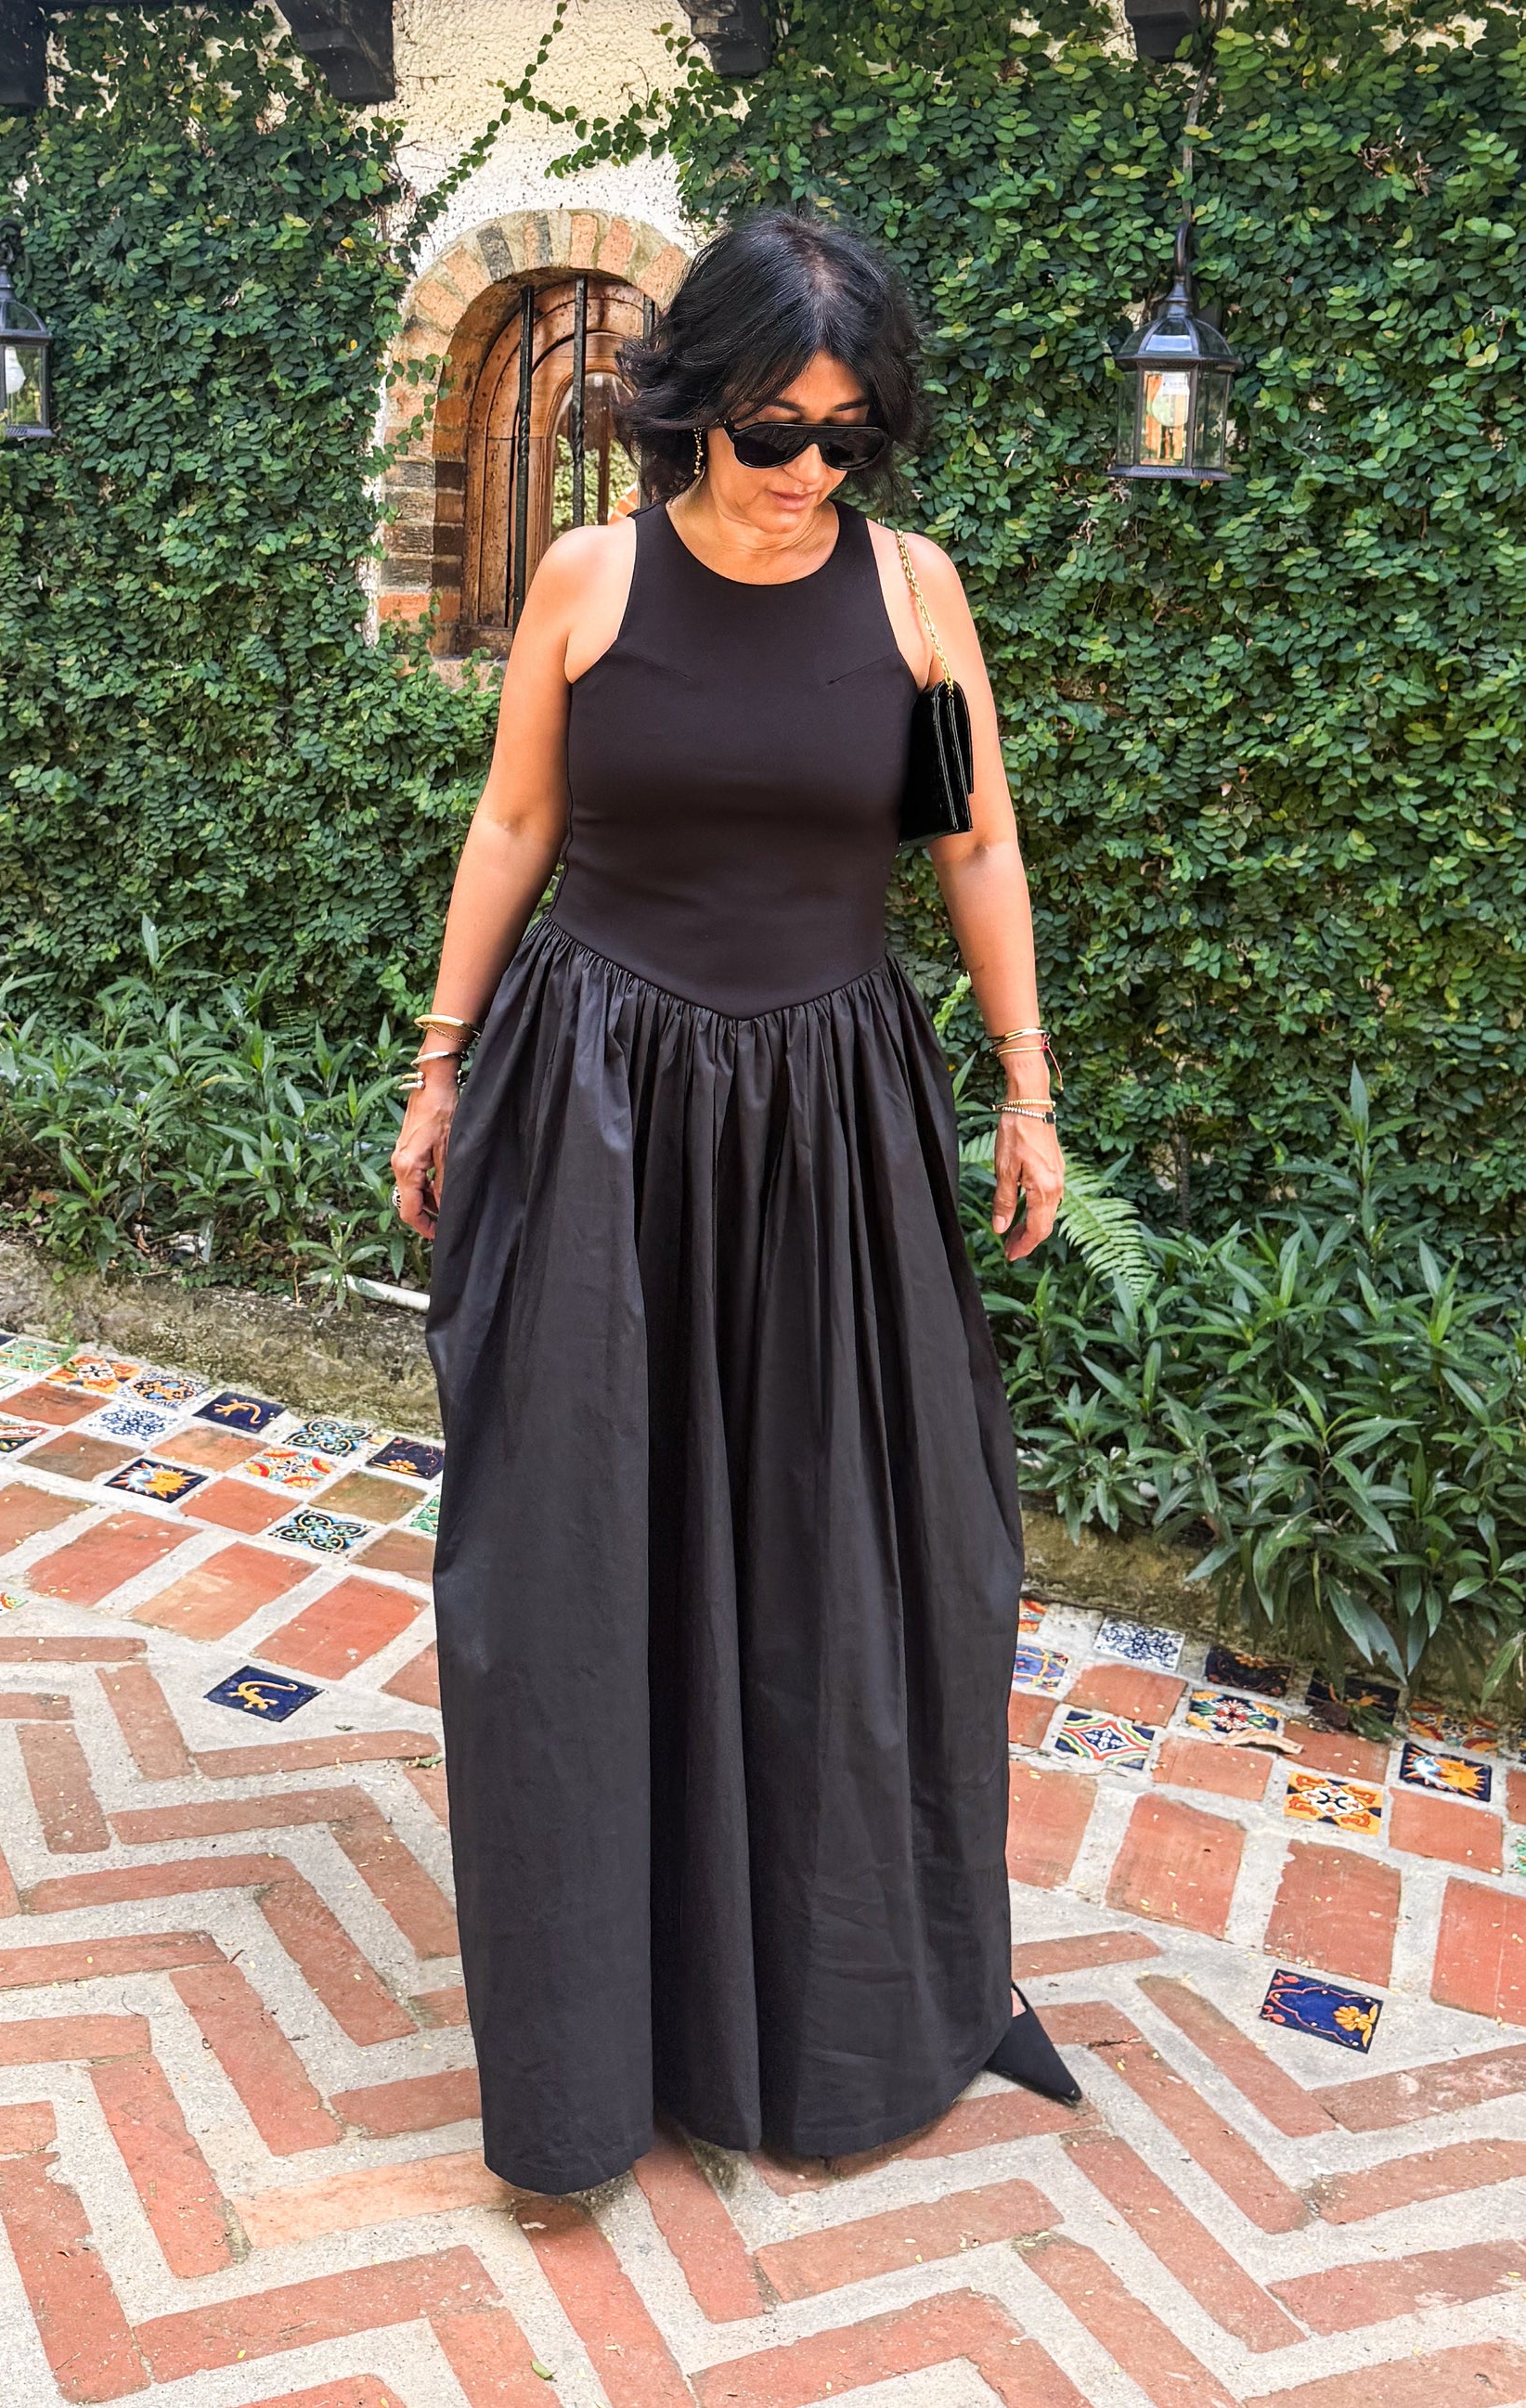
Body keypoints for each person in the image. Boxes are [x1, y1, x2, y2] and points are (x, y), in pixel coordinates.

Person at [392, 210, 1078, 2196]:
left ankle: (834, 1999)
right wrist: (439, 1059)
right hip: (599, 1105)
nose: (806, 472)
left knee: (853, 1548)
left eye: (848, 439)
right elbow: (516, 816)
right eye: (774, 431)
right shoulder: (591, 579)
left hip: (830, 1122)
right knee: (578, 1558)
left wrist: (1026, 1088)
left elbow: (973, 842)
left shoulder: (916, 596)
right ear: (694, 402)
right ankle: (599, 2047)